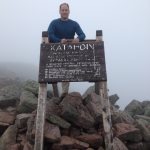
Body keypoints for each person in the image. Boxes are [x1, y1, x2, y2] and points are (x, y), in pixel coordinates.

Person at [48, 2, 86, 98]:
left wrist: (78, 39)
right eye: (62, 10)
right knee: (55, 74)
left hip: (69, 54)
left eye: (66, 10)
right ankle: (56, 97)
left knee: (66, 74)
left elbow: (82, 35)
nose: (64, 12)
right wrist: (59, 41)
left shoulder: (74, 24)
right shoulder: (54, 23)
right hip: (55, 53)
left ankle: (63, 96)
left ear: (69, 11)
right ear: (59, 11)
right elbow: (50, 35)